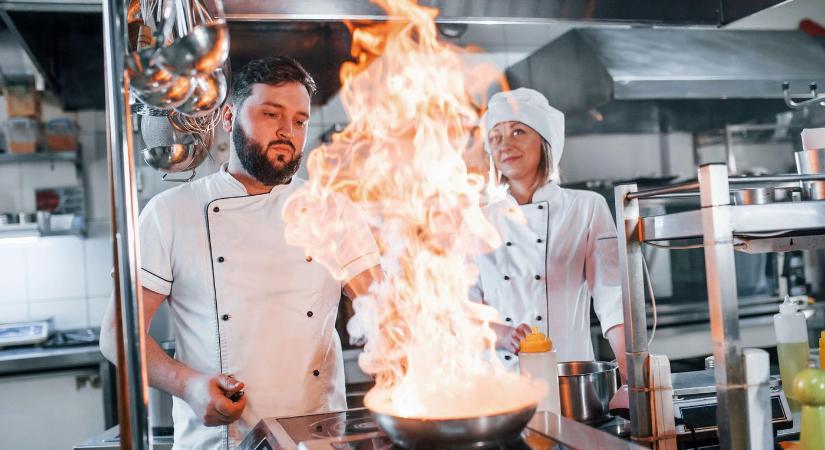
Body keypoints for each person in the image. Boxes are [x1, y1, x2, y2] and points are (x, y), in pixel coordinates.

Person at [99, 56, 380, 449]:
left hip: (316, 439)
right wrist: (190, 386)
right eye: (271, 114)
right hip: (220, 440)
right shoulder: (171, 212)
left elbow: (384, 307)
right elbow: (117, 335)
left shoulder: (331, 209)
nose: (287, 132)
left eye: (299, 121)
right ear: (229, 118)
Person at [472, 88, 627, 383]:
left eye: (518, 132)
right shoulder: (479, 220)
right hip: (498, 383)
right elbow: (460, 312)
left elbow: (613, 298)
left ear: (545, 142)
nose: (505, 145)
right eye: (495, 137)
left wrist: (630, 377)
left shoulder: (586, 207)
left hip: (572, 379)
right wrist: (501, 334)